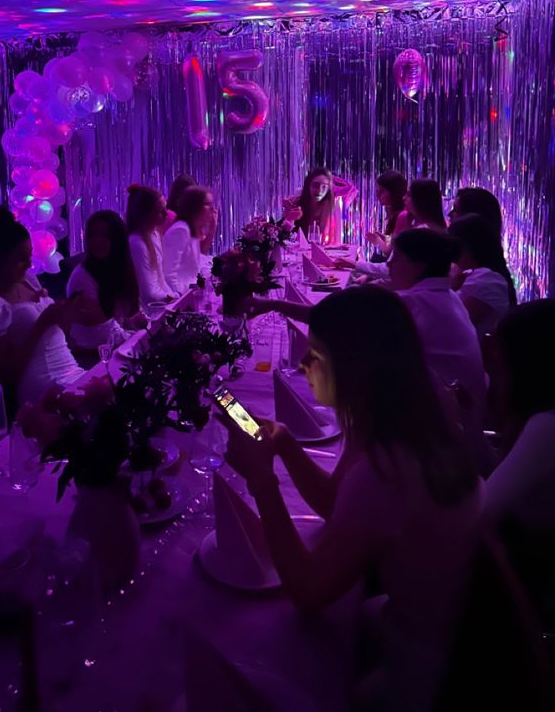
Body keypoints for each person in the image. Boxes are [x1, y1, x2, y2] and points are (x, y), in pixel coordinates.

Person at [220, 286, 482, 712]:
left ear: (357, 367)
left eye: (316, 355)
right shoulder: (406, 405)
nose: (304, 365)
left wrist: (263, 482)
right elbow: (333, 503)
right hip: (433, 614)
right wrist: (285, 445)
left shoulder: (388, 469)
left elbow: (307, 595)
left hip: (423, 669)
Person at [388, 228, 491, 473]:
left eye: (396, 258)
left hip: (446, 451)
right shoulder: (448, 296)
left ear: (418, 266)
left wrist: (278, 304)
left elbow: (340, 321)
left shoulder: (414, 303)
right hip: (469, 429)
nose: (388, 263)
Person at [0, 208, 86, 406]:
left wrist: (65, 317)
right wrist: (43, 323)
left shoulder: (28, 280)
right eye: (20, 260)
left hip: (69, 367)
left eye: (29, 256)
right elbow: (6, 374)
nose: (28, 264)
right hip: (42, 384)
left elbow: (56, 336)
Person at [485, 300, 555, 530]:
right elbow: (499, 470)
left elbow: (483, 510)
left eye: (497, 350)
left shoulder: (545, 426)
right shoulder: (537, 418)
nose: (491, 358)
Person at [66, 210, 145, 353]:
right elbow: (106, 334)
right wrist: (144, 337)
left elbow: (120, 319)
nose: (97, 241)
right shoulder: (81, 278)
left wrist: (137, 322)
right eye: (92, 235)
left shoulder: (116, 268)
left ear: (118, 240)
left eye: (105, 236)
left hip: (114, 347)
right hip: (91, 357)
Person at [448, 214, 515, 337]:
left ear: (467, 246)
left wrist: (448, 288)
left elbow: (452, 325)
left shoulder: (489, 281)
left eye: (450, 245)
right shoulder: (467, 274)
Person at [162, 185, 214, 295]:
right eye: (207, 204)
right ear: (195, 207)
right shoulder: (180, 230)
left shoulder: (191, 230)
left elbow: (195, 265)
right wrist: (182, 298)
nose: (212, 209)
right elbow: (168, 274)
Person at [125, 184, 172, 305]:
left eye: (165, 208)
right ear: (146, 215)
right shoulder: (137, 243)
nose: (167, 214)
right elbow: (147, 295)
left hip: (158, 304)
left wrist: (176, 296)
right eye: (161, 211)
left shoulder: (154, 234)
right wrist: (171, 300)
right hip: (146, 311)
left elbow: (160, 281)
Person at [285, 168, 358, 244]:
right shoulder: (295, 202)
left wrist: (331, 178)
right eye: (315, 185)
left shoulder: (331, 204)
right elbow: (283, 236)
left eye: (324, 187)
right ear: (308, 185)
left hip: (324, 251)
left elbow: (351, 188)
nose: (319, 190)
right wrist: (290, 218)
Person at [366, 170, 411, 257]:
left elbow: (390, 253)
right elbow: (399, 245)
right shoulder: (395, 212)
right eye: (377, 190)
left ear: (394, 192)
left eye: (382, 191)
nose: (377, 195)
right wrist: (386, 239)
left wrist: (378, 240)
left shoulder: (403, 215)